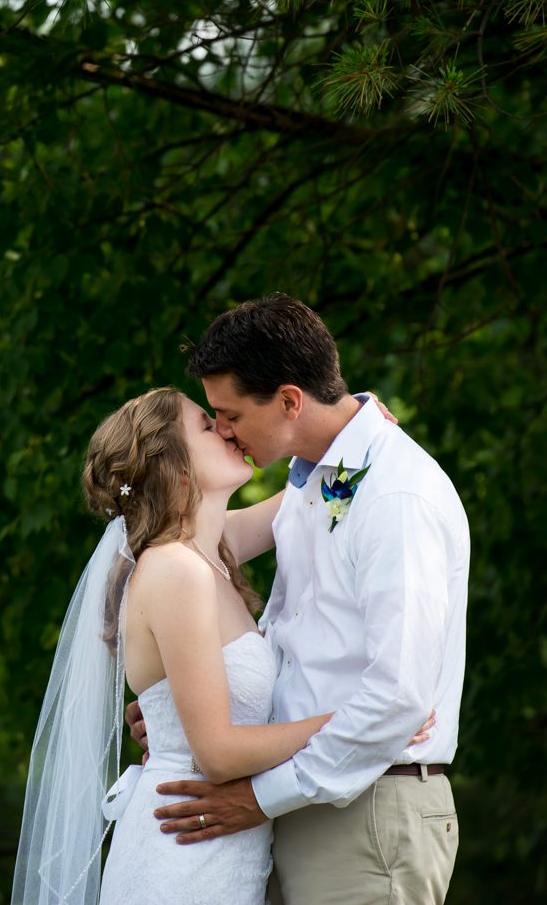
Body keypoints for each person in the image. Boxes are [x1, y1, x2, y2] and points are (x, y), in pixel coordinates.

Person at [12, 384, 434, 905]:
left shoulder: (210, 553)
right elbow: (216, 752)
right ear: (177, 467)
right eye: (208, 426)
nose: (227, 429)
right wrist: (369, 719)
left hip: (223, 844)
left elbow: (316, 493)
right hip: (186, 850)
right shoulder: (176, 571)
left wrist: (353, 418)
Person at [137, 295, 469, 905]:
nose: (223, 430)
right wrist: (177, 707)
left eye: (230, 414)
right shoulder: (318, 480)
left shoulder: (397, 497)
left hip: (367, 810)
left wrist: (260, 797)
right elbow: (293, 642)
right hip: (298, 799)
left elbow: (399, 696)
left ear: (289, 400)